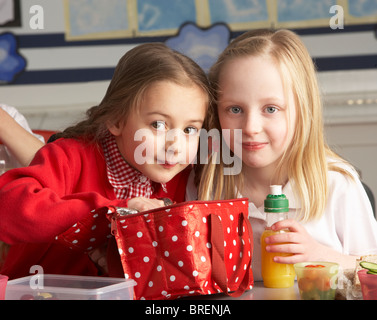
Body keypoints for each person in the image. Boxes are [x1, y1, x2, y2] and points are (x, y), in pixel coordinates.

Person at [0, 43, 212, 279]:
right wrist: (112, 212)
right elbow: (9, 210)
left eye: (190, 129)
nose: (175, 146)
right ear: (116, 120)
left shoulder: (185, 181)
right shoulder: (70, 157)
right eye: (158, 125)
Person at [192, 29, 377, 281]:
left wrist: (322, 256)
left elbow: (371, 267)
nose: (250, 127)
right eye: (234, 109)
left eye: (271, 108)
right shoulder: (203, 185)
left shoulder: (337, 184)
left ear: (303, 110)